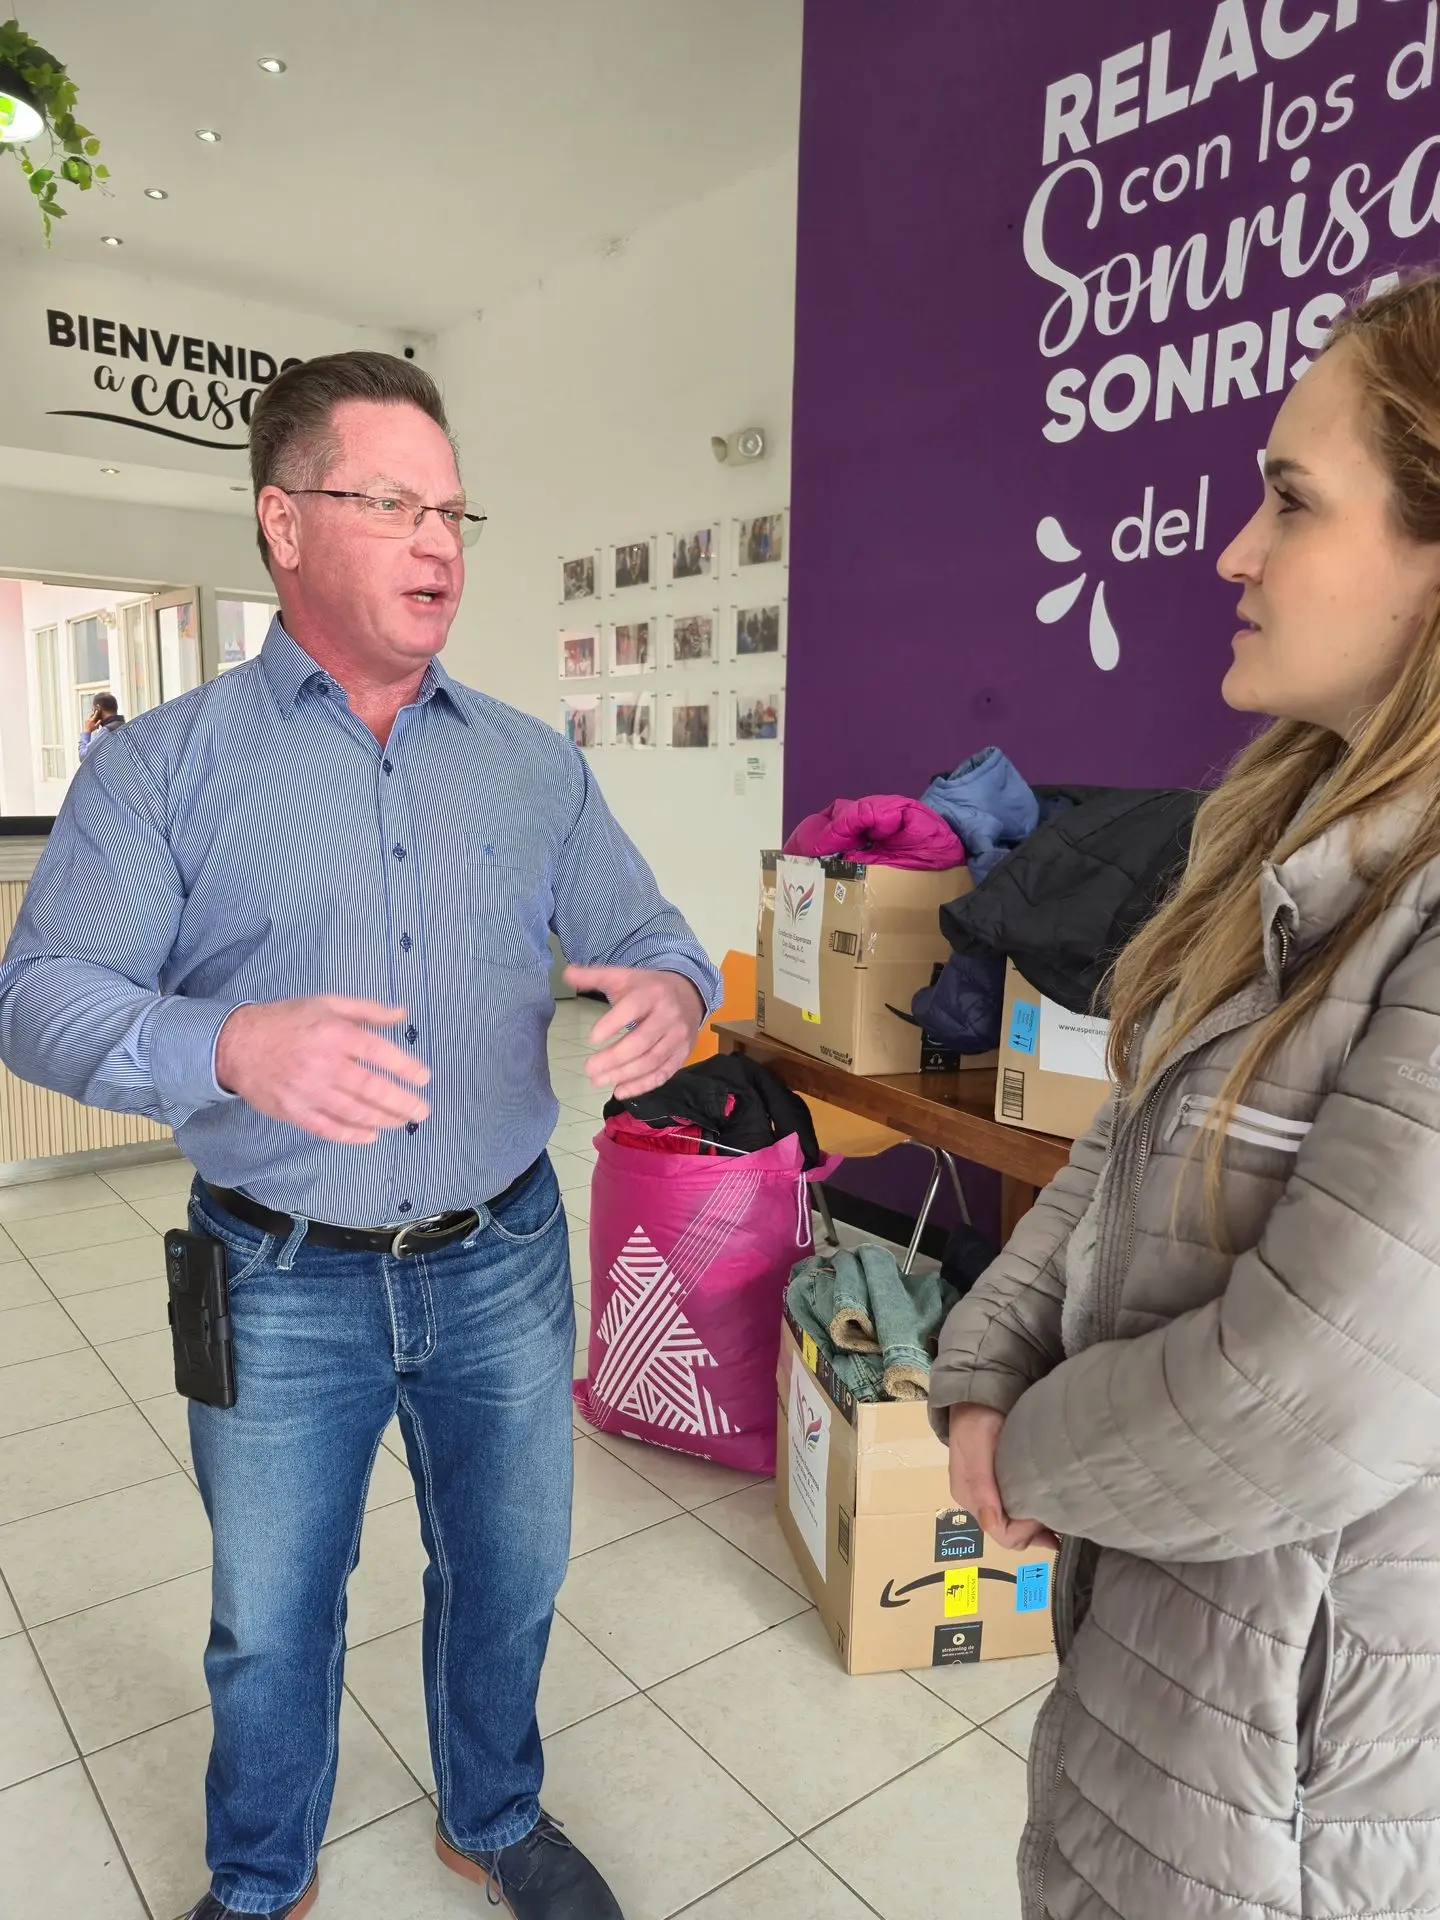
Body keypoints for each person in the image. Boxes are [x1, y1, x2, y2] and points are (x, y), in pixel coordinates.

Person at [0, 350, 718, 1920]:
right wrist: (222, 1044)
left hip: (502, 1256)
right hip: (276, 1277)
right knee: (270, 1615)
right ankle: (261, 1874)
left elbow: (654, 934)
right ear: (283, 522)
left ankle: (495, 1814)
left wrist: (673, 989)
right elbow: (37, 1000)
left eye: (452, 510)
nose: (437, 542)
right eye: (391, 502)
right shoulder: (163, 768)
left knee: (511, 1573)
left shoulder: (530, 764)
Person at [932, 272, 1440, 1919]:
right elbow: (1126, 1140)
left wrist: (1027, 1461)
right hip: (1164, 1688)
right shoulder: (1284, 844)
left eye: (1292, 501)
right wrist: (984, 1371)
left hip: (1293, 1799)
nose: (1234, 552)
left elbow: (1315, 1395)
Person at [77, 689, 124, 759]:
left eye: (93, 709)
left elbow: (84, 756)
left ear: (98, 708)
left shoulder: (108, 731)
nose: (92, 712)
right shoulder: (123, 725)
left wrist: (87, 731)